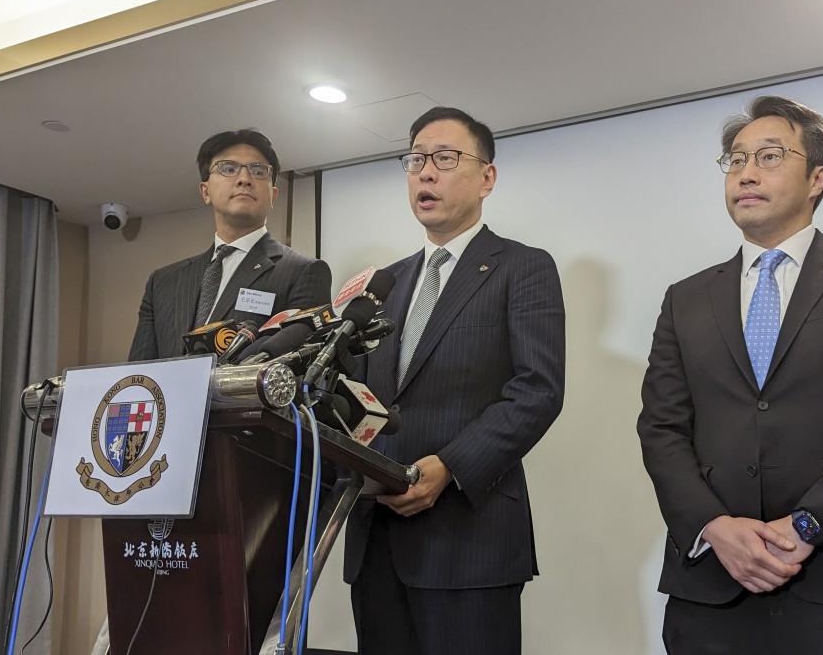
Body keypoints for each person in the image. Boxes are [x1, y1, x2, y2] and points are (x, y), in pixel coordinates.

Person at [636, 95, 823, 654]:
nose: (746, 172)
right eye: (735, 159)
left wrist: (807, 525)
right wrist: (714, 527)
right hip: (711, 590)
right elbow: (660, 429)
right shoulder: (685, 298)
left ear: (817, 177)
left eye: (770, 156)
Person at [342, 107, 566, 655]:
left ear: (487, 177)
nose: (425, 172)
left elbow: (537, 389)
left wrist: (451, 466)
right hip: (378, 539)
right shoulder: (381, 286)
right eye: (416, 160)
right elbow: (359, 398)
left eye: (445, 158)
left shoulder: (523, 267)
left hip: (469, 535)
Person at [128, 128, 331, 361]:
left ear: (273, 196)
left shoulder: (304, 272)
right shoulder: (162, 282)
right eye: (228, 169)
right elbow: (138, 371)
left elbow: (301, 366)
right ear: (205, 192)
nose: (244, 179)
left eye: (258, 171)